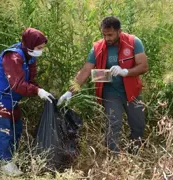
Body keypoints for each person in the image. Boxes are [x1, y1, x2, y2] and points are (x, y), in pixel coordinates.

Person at [57, 16, 148, 154]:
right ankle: (113, 158)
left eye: (110, 35)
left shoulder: (133, 42)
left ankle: (134, 153)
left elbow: (143, 66)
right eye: (104, 35)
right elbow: (86, 70)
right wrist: (71, 91)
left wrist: (125, 72)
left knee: (138, 125)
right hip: (111, 92)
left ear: (119, 31)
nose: (107, 38)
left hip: (132, 91)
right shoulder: (98, 48)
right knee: (113, 124)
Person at [0, 28, 54, 176]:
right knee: (4, 132)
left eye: (42, 48)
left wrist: (41, 90)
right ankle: (5, 164)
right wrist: (37, 91)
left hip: (12, 100)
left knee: (17, 129)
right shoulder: (13, 57)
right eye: (39, 48)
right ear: (29, 45)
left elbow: (30, 80)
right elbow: (17, 84)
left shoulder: (29, 57)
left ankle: (11, 160)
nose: (40, 51)